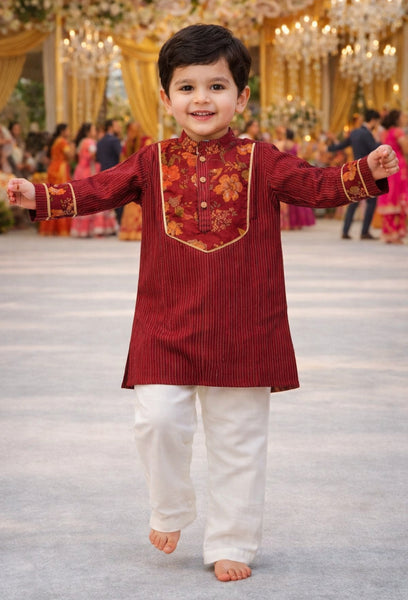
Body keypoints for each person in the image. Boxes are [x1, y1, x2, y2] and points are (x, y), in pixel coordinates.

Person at [7, 24, 399, 583]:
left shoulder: (263, 159)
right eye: (187, 87)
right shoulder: (152, 161)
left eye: (217, 86)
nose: (202, 99)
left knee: (238, 437)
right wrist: (37, 195)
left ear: (242, 96)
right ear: (166, 98)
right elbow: (98, 190)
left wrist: (366, 172)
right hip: (165, 320)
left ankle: (232, 539)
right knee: (156, 419)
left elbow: (315, 186)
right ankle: (170, 507)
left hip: (244, 322)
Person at [328, 109, 381, 240]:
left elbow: (342, 145)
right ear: (373, 120)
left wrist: (329, 148)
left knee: (353, 200)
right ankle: (364, 232)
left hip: (355, 169)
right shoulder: (367, 134)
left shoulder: (355, 132)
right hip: (368, 170)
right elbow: (374, 149)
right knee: (372, 201)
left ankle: (345, 231)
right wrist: (379, 141)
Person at [70, 122, 118, 238]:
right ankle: (96, 228)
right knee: (95, 198)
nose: (95, 132)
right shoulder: (90, 142)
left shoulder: (82, 142)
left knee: (82, 198)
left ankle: (83, 229)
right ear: (88, 132)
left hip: (80, 171)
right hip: (89, 171)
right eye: (93, 129)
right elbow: (92, 156)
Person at [376, 109, 408, 244]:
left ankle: (388, 233)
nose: (405, 119)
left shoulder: (385, 133)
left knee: (390, 196)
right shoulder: (398, 132)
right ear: (397, 119)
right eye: (403, 117)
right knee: (397, 197)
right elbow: (406, 149)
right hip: (399, 167)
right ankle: (395, 234)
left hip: (387, 166)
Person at [118, 122, 152, 241]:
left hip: (134, 177)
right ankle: (136, 231)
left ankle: (134, 231)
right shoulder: (134, 143)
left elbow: (122, 162)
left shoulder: (139, 142)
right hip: (138, 177)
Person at [38, 123, 74, 236]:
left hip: (52, 168)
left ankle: (49, 228)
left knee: (51, 197)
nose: (69, 132)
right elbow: (70, 156)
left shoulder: (54, 141)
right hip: (60, 170)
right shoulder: (62, 142)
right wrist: (72, 147)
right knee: (62, 197)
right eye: (68, 130)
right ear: (63, 131)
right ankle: (61, 228)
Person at [96, 118, 123, 224]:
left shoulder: (100, 141)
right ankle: (119, 222)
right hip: (114, 172)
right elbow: (121, 155)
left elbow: (98, 158)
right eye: (116, 125)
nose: (119, 127)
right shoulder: (114, 140)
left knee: (107, 199)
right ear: (111, 127)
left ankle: (107, 224)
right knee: (119, 199)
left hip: (103, 172)